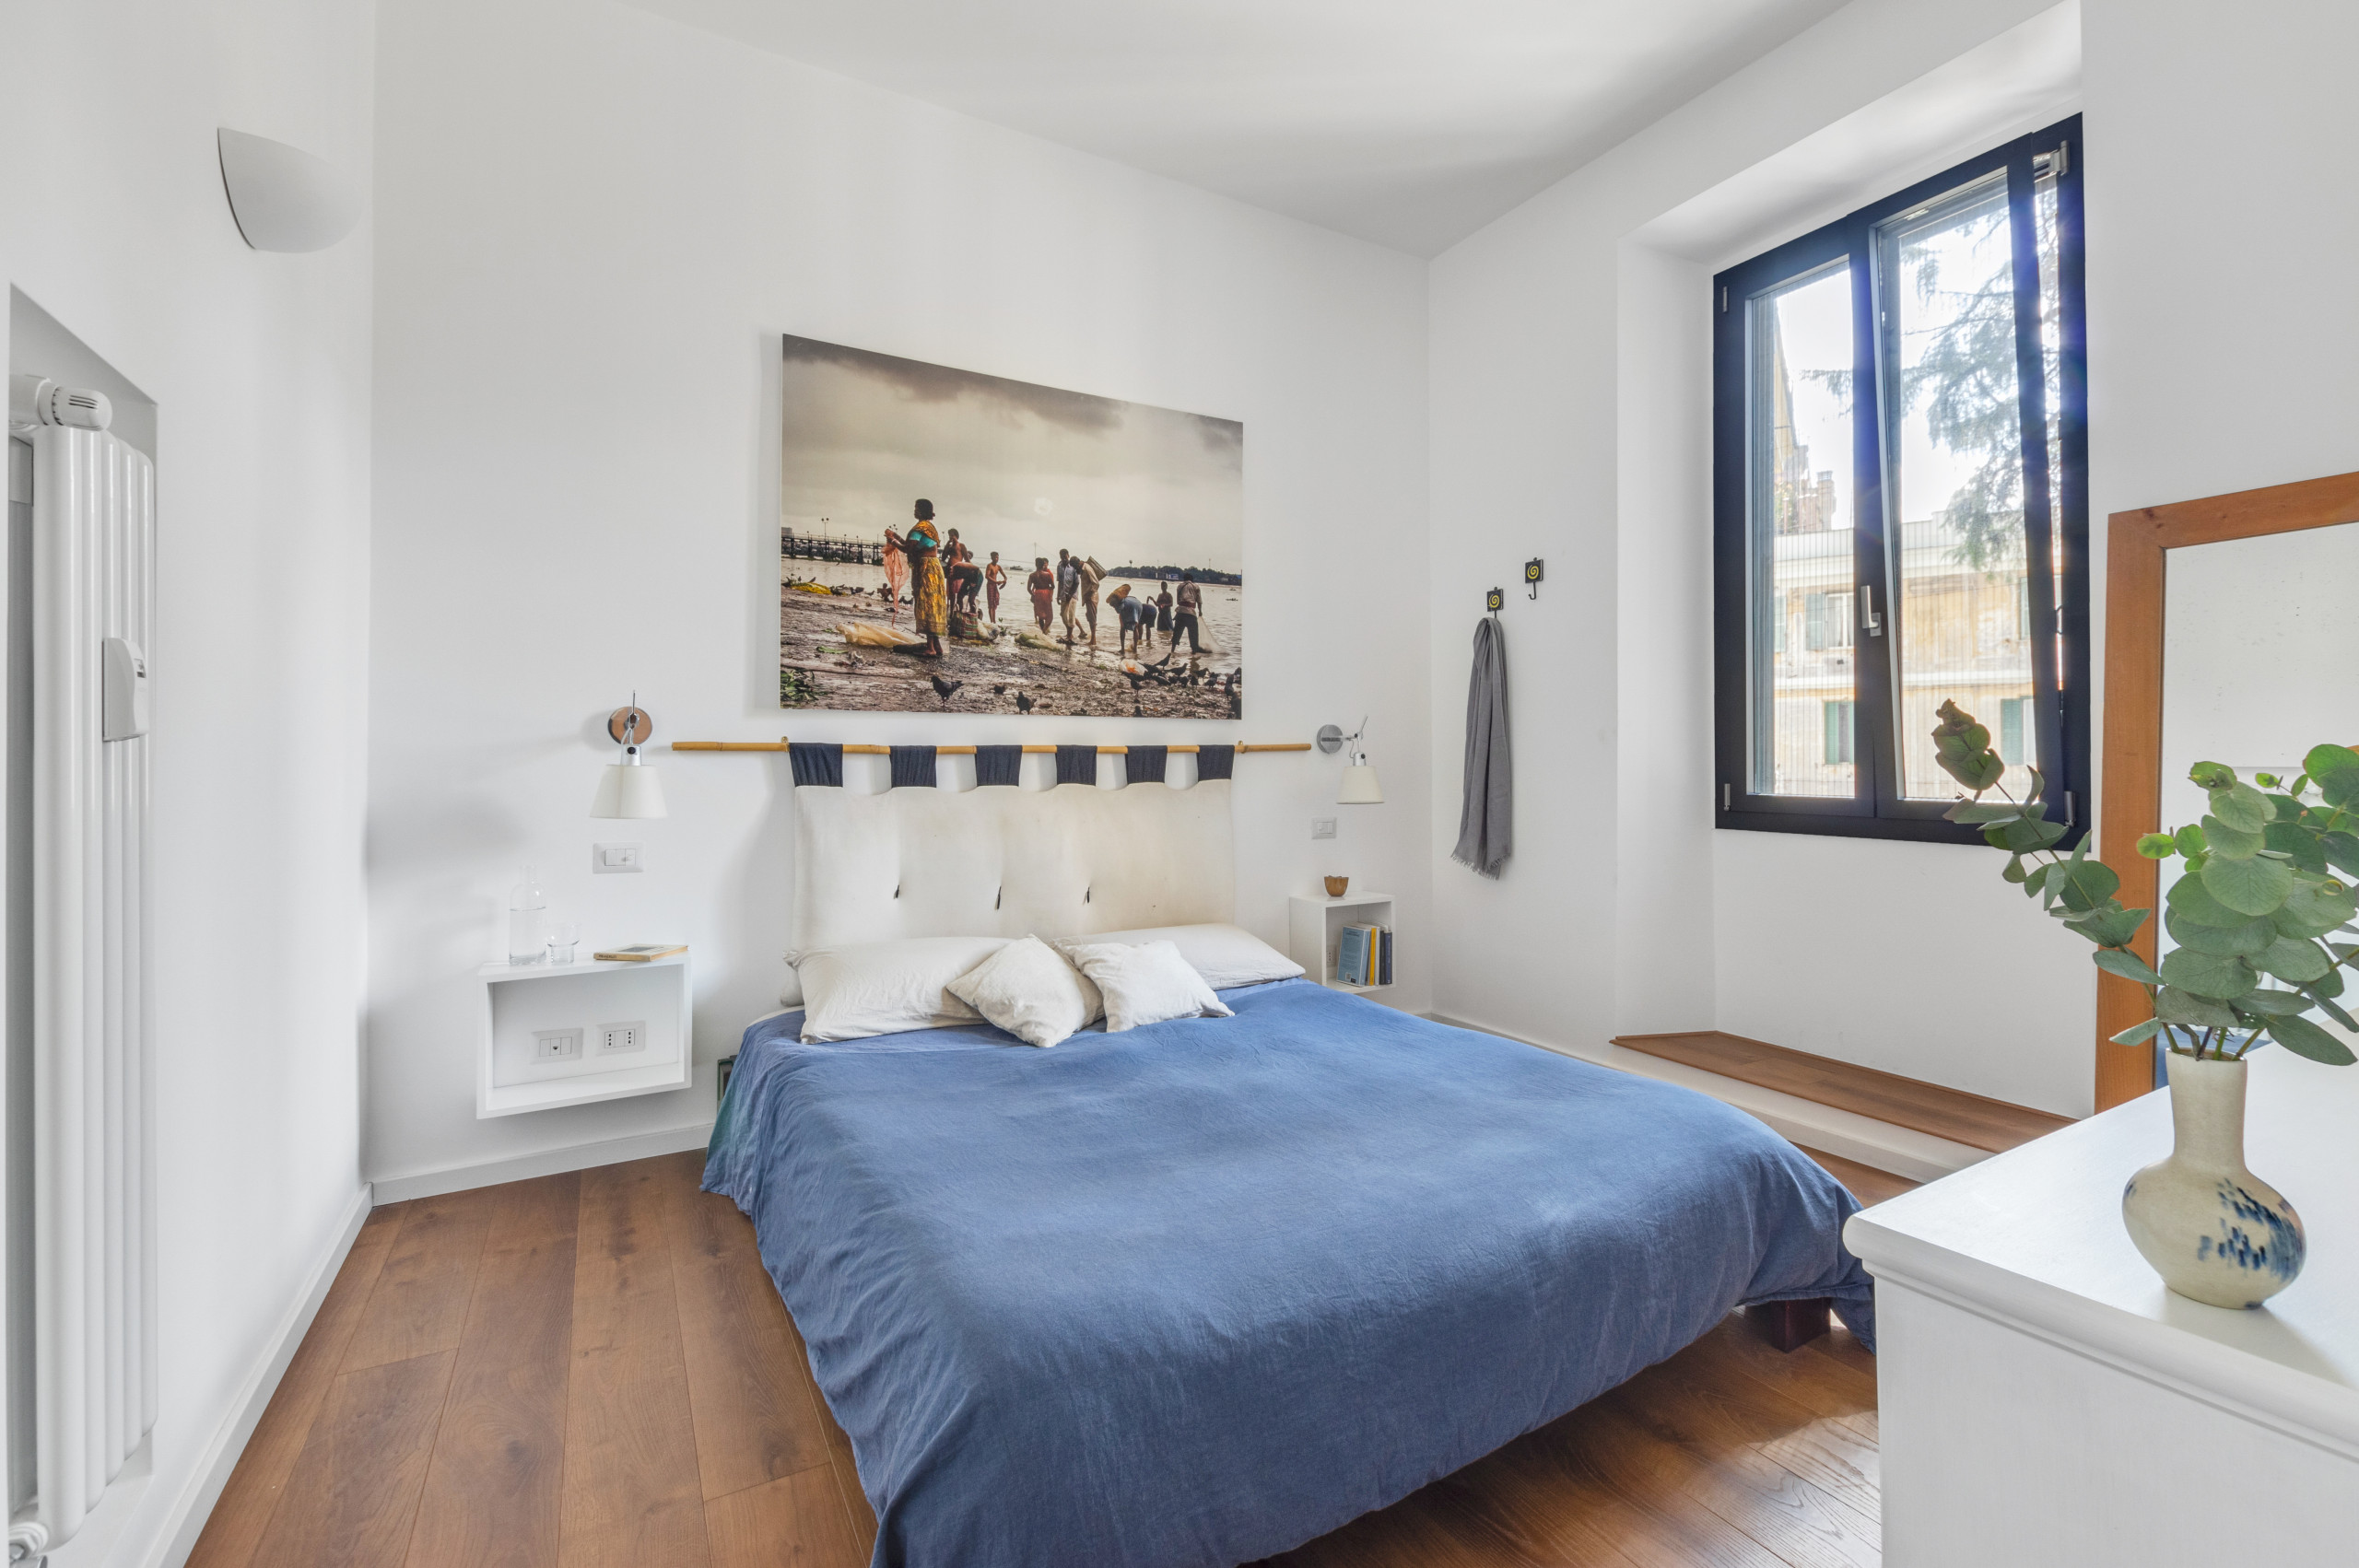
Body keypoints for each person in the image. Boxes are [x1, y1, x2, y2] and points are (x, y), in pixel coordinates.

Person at [883, 499, 947, 658]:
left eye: (916, 508)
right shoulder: (929, 528)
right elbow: (913, 545)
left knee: (926, 604)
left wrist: (892, 541)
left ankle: (930, 648)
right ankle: (936, 645)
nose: (914, 510)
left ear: (921, 511)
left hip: (926, 568)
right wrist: (896, 537)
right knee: (932, 604)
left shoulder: (920, 528)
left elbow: (907, 548)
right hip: (934, 567)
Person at [1109, 582, 1147, 657]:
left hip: (1132, 606)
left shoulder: (1119, 605)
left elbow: (1120, 615)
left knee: (1123, 628)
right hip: (1138, 604)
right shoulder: (1123, 598)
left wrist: (1123, 625)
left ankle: (1123, 649)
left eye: (1113, 606)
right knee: (1135, 627)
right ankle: (1135, 649)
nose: (1114, 608)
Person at [1171, 570, 1203, 657]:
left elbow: (1178, 600)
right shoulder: (1195, 586)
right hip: (1190, 613)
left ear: (1184, 579)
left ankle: (1172, 650)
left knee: (1177, 632)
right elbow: (1199, 600)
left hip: (1180, 612)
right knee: (1193, 633)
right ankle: (1194, 652)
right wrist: (1200, 611)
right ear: (1192, 580)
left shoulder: (1179, 586)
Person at [1055, 549, 1082, 643]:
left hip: (1073, 595)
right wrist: (1058, 596)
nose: (1063, 559)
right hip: (1063, 594)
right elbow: (1059, 582)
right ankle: (1069, 633)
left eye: (1065, 557)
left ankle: (1069, 637)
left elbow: (1077, 583)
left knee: (1071, 616)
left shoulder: (1073, 567)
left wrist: (1070, 595)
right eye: (1061, 557)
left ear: (1068, 555)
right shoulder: (1059, 566)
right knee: (1062, 614)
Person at [1079, 556, 1104, 650]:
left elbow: (1096, 583)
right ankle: (1093, 640)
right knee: (1090, 617)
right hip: (1089, 597)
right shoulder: (1084, 568)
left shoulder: (1087, 569)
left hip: (1092, 597)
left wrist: (1089, 593)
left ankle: (1093, 641)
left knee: (1092, 619)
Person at [1027, 556, 1055, 633]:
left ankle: (1043, 631)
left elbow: (1028, 588)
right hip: (1046, 594)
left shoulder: (1032, 575)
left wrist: (1033, 595)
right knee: (1049, 615)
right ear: (1043, 565)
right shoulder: (1047, 574)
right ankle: (1044, 631)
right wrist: (1047, 589)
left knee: (1040, 615)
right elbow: (1053, 586)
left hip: (1037, 593)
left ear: (1036, 565)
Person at [984, 551, 1006, 623]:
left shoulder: (998, 567)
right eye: (995, 557)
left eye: (997, 557)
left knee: (994, 604)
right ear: (992, 558)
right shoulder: (989, 566)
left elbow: (1005, 576)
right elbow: (987, 576)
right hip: (990, 586)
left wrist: (1004, 582)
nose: (996, 559)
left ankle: (994, 621)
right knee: (990, 605)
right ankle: (991, 621)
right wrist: (996, 582)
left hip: (995, 587)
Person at [1155, 583, 1174, 649]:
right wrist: (1152, 600)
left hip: (1167, 613)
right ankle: (1162, 641)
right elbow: (1157, 604)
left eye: (1164, 586)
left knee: (1169, 628)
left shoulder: (1169, 595)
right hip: (1161, 613)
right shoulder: (1160, 595)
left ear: (1166, 587)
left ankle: (1168, 641)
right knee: (1160, 629)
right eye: (1162, 586)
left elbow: (1171, 604)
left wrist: (1165, 605)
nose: (1163, 587)